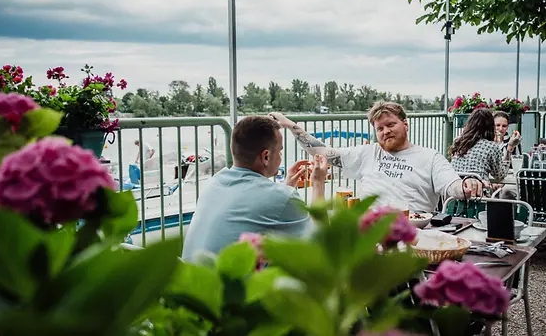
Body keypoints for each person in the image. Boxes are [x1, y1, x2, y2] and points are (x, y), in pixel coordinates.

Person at [270, 101, 483, 213]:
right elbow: (323, 153)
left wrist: (466, 186)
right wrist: (290, 125)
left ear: (405, 125)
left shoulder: (430, 157)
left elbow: (451, 185)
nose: (385, 131)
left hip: (411, 231)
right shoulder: (367, 152)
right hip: (367, 230)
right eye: (379, 128)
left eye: (391, 125)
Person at [182, 116, 328, 262]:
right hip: (229, 284)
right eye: (279, 151)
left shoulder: (213, 183)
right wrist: (318, 183)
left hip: (191, 279)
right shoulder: (282, 197)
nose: (280, 157)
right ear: (266, 156)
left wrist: (285, 187)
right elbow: (323, 245)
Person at [450, 109, 509, 188]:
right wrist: (509, 150)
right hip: (479, 195)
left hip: (456, 193)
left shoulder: (458, 142)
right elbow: (500, 175)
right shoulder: (491, 146)